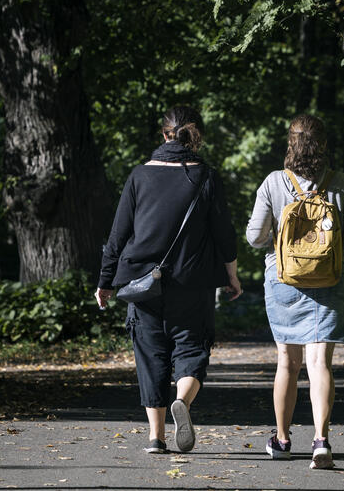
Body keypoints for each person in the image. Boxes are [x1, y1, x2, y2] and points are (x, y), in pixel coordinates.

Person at [95, 106, 242, 454]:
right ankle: (183, 402)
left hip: (142, 284)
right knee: (191, 348)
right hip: (193, 282)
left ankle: (156, 438)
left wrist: (105, 282)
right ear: (196, 135)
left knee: (150, 354)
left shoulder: (139, 176)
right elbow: (224, 233)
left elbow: (118, 236)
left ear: (164, 134)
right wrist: (231, 277)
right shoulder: (206, 176)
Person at [246, 114, 344, 469]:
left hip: (284, 281)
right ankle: (321, 441)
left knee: (288, 361)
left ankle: (282, 440)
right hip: (330, 282)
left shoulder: (273, 183)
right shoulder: (343, 184)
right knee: (319, 363)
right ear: (324, 144)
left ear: (290, 143)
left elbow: (255, 238)